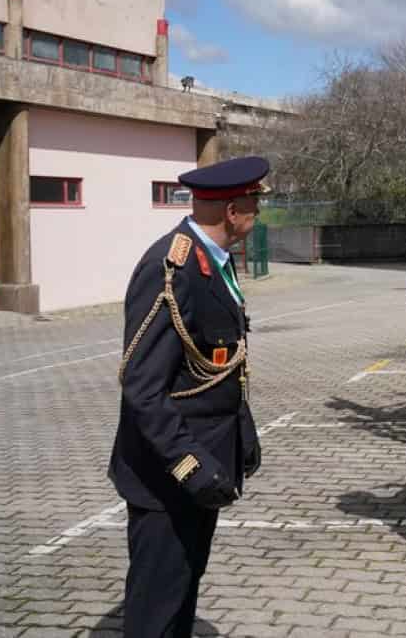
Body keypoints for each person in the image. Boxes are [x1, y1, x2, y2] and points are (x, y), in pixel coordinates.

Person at [109, 155, 270, 637]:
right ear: (232, 212)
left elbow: (220, 364)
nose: (257, 212)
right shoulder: (171, 268)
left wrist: (243, 432)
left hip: (207, 458)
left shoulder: (213, 263)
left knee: (182, 590)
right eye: (254, 203)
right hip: (169, 472)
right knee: (156, 606)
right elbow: (142, 386)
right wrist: (190, 464)